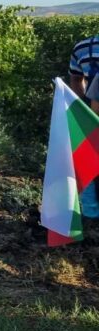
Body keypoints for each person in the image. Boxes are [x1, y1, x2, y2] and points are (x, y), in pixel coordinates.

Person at [71, 34, 99, 218]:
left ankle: (91, 213)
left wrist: (83, 113)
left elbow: (75, 81)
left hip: (93, 117)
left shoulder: (82, 47)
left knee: (88, 163)